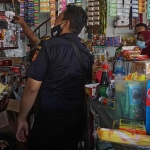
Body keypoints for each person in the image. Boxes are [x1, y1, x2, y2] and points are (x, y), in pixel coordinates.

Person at [16, 4, 93, 150]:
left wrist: (21, 118)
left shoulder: (49, 47)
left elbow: (32, 89)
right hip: (75, 121)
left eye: (57, 19)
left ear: (65, 23)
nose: (55, 23)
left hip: (49, 121)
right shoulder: (85, 52)